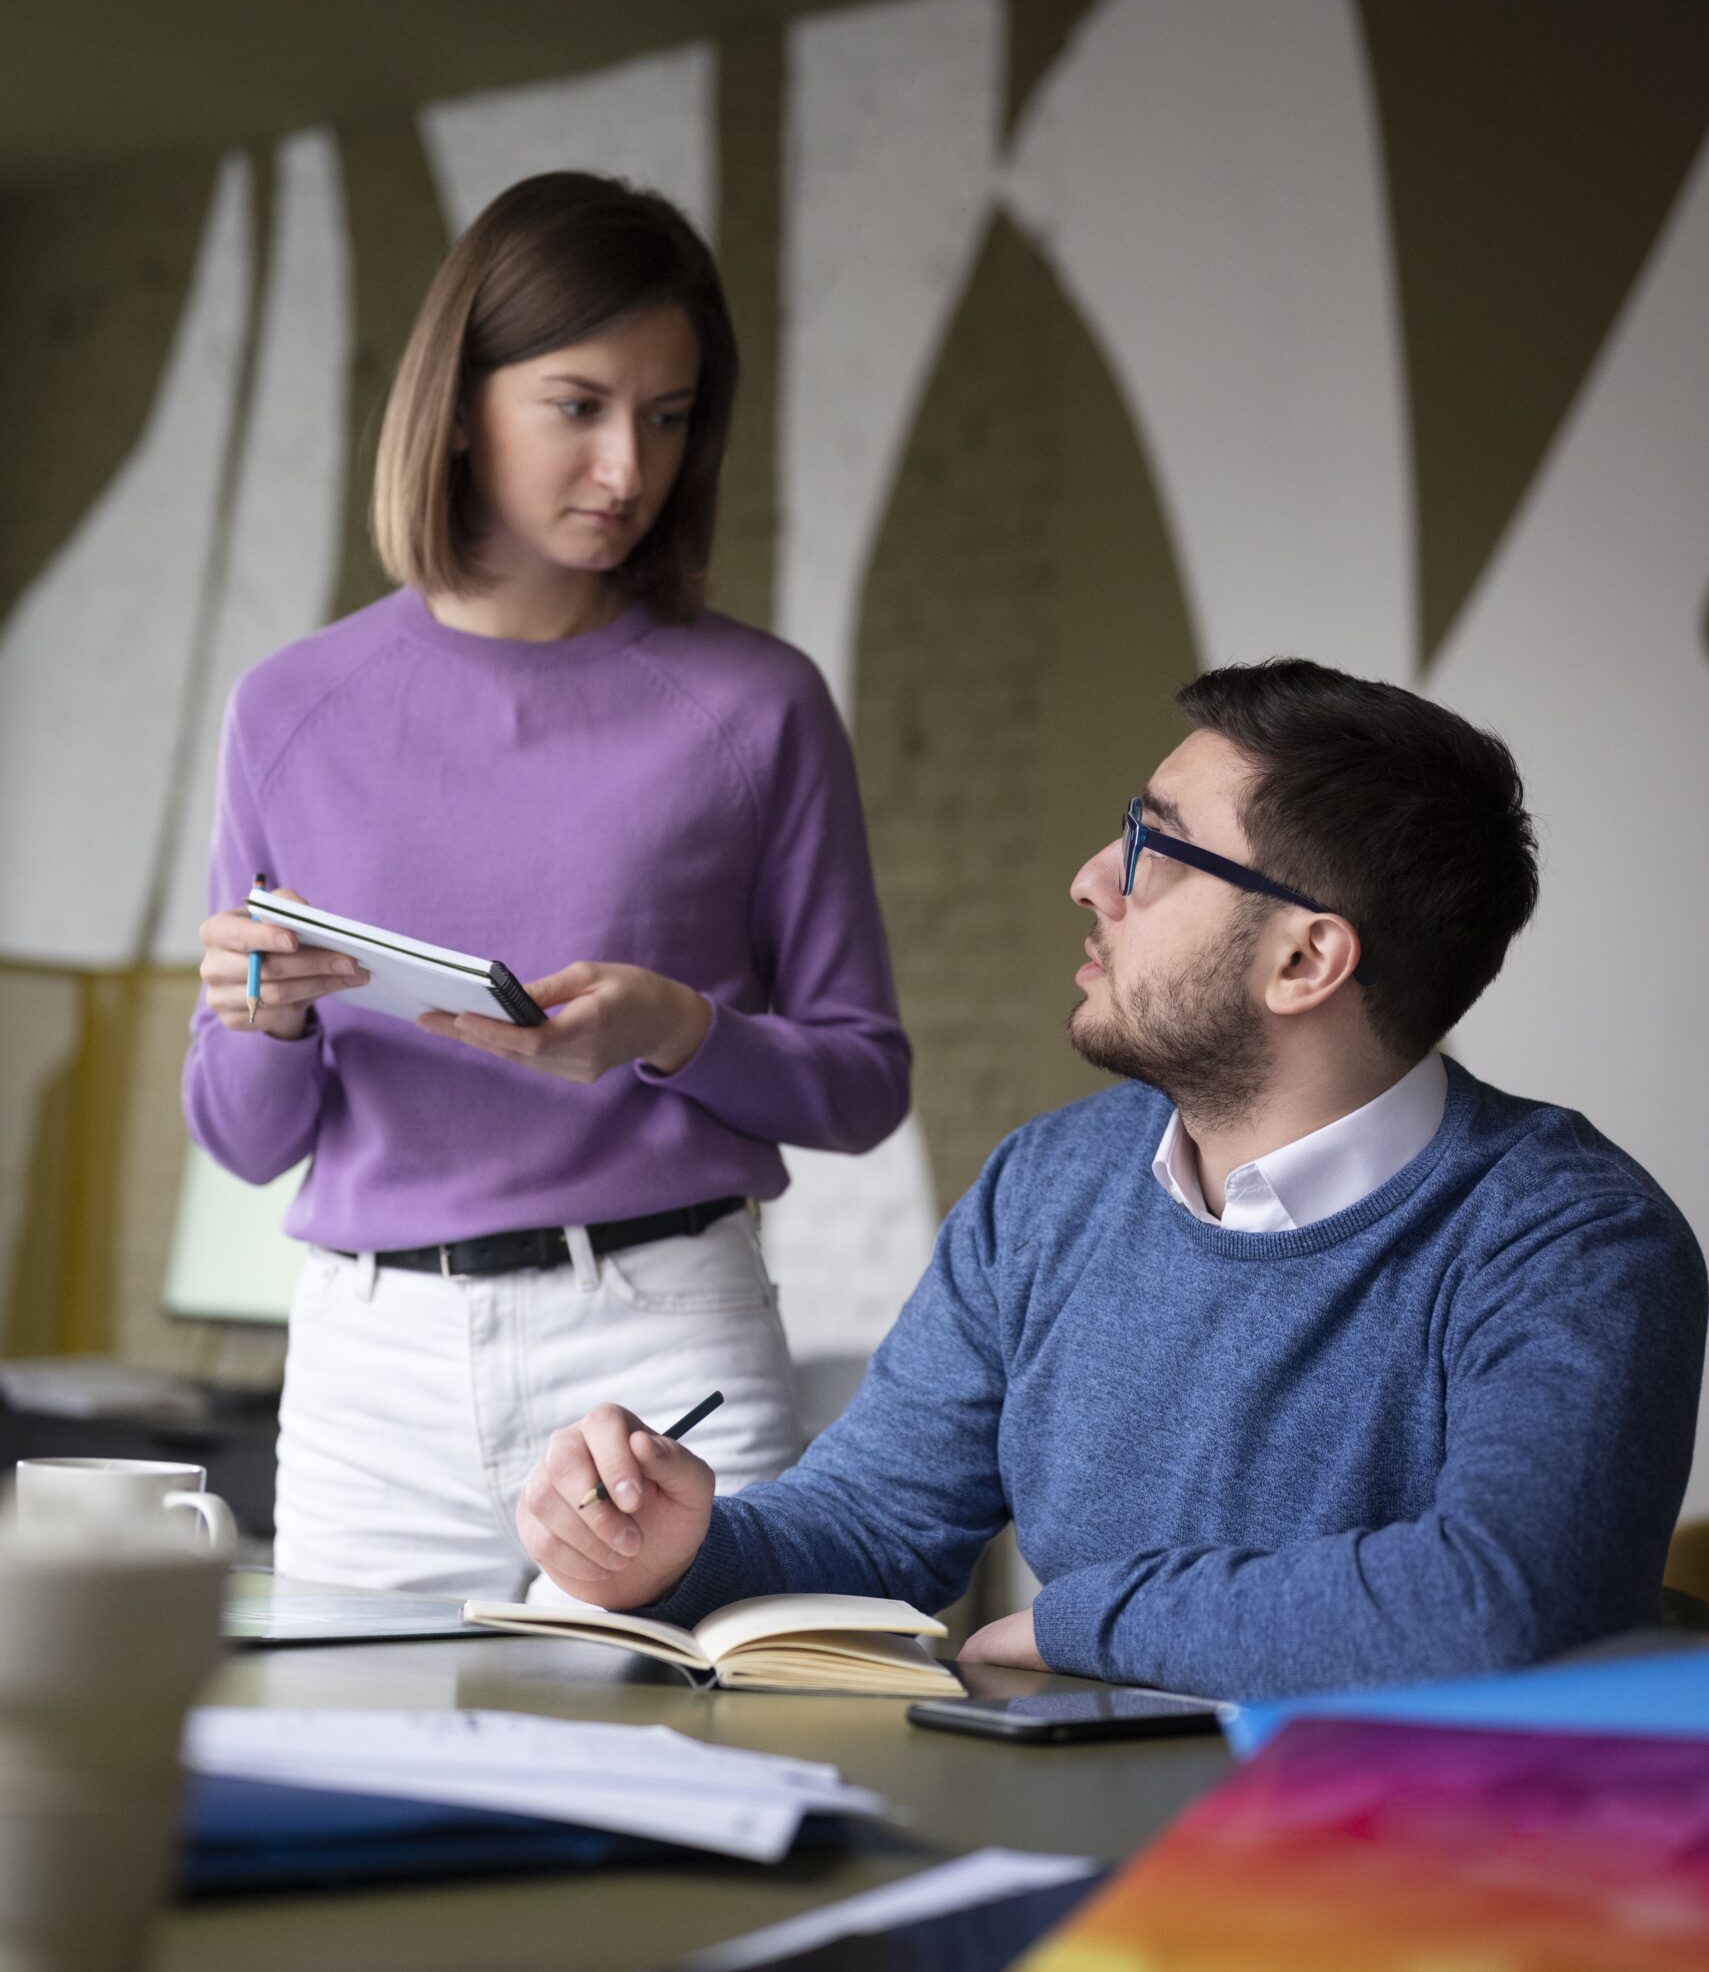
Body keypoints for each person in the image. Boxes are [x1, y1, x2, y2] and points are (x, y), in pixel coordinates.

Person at [515, 660, 1708, 1699]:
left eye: (1152, 846)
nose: (1091, 879)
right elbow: (873, 1522)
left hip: (1405, 1857)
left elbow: (1493, 1601)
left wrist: (1083, 1621)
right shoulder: (1047, 1185)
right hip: (1072, 1825)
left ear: (1303, 959)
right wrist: (680, 1552)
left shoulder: (1574, 1243)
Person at [184, 171, 910, 1596]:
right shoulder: (290, 707)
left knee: (699, 1741)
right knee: (358, 1740)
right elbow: (247, 1141)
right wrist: (264, 1021)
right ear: (459, 405)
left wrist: (677, 1030)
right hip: (372, 1374)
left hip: (663, 1345)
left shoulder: (757, 705)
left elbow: (863, 1083)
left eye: (668, 415)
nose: (628, 469)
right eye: (577, 406)